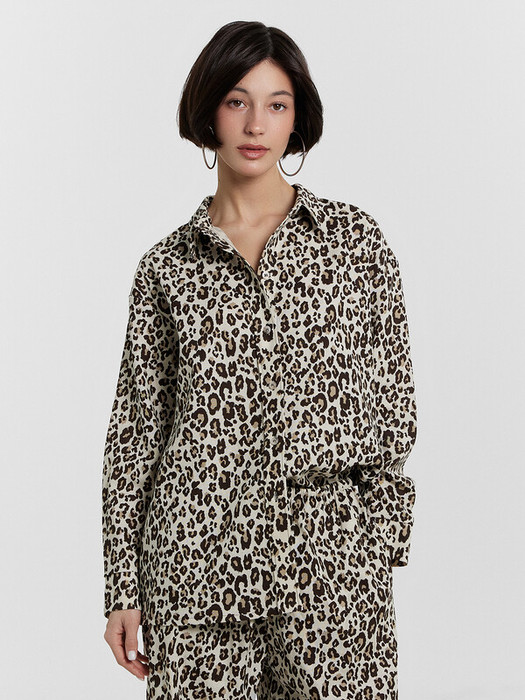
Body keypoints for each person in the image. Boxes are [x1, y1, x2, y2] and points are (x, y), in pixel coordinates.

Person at [102, 19, 418, 699]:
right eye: (236, 101)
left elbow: (393, 408)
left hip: (330, 572)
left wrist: (376, 543)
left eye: (276, 104)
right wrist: (121, 587)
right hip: (194, 571)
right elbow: (135, 435)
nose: (255, 124)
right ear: (208, 110)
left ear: (297, 117)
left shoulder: (353, 244)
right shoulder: (167, 268)